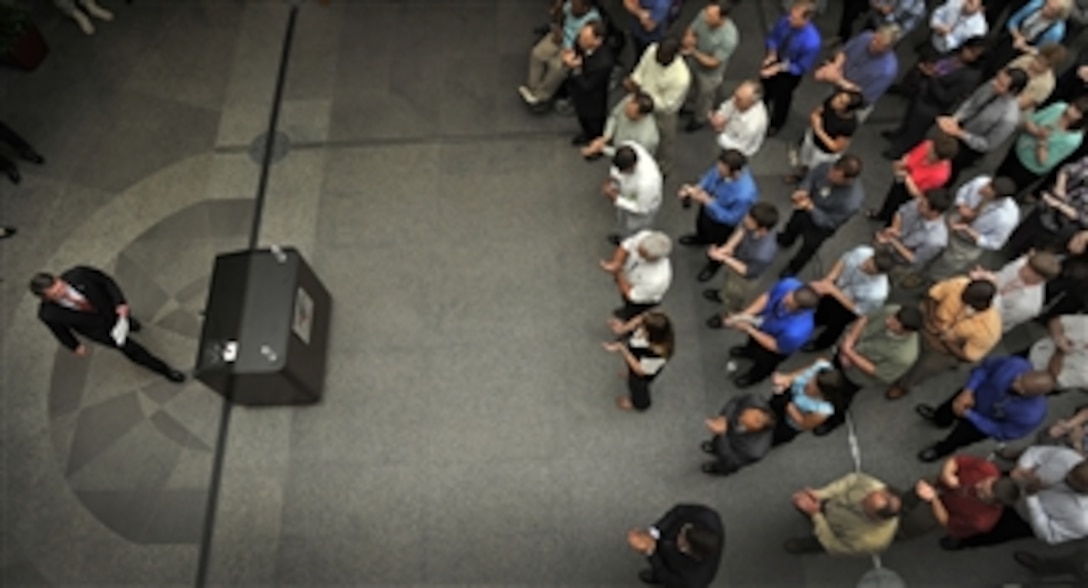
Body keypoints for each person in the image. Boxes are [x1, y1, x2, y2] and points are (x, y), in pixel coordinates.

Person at [30, 268, 186, 383]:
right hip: (99, 330)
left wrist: (120, 302)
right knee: (131, 350)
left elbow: (106, 281)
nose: (63, 293)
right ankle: (165, 370)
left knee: (127, 322)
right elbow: (60, 331)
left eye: (61, 286)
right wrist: (74, 346)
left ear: (58, 278)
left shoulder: (80, 274)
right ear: (46, 298)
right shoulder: (49, 314)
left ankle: (131, 324)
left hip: (111, 309)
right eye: (56, 295)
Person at [915, 356, 1055, 462]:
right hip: (973, 395)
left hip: (982, 423)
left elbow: (1002, 432)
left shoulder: (1032, 415)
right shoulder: (1015, 364)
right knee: (947, 409)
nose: (1014, 382)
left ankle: (939, 450)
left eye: (1020, 386)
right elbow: (984, 369)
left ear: (1031, 395)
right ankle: (939, 419)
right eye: (1020, 378)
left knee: (958, 439)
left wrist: (970, 416)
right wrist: (968, 390)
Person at [886, 278, 1002, 400]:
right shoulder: (959, 284)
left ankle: (904, 386)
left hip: (948, 348)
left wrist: (945, 341)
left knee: (928, 366)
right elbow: (932, 296)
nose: (962, 297)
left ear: (982, 303)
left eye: (967, 298)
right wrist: (932, 318)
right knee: (902, 320)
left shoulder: (990, 330)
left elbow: (967, 357)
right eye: (964, 293)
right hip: (932, 320)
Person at [815, 305, 922, 435]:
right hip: (847, 350)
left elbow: (879, 373)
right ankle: (822, 392)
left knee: (842, 395)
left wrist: (850, 355)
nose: (888, 320)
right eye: (893, 317)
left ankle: (836, 418)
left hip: (857, 375)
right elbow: (865, 319)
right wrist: (848, 344)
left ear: (907, 332)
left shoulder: (905, 355)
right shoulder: (892, 310)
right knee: (829, 374)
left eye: (895, 324)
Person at [955, 445, 1088, 548]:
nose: (1064, 478)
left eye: (1072, 483)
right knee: (975, 490)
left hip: (1020, 517)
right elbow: (1035, 453)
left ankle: (963, 541)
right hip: (1009, 484)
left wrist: (1032, 499)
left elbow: (1049, 534)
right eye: (1071, 471)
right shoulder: (1069, 458)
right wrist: (1021, 467)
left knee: (992, 532)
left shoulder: (1083, 520)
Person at [882, 37, 987, 159]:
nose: (967, 53)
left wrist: (932, 77)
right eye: (968, 48)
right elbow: (938, 62)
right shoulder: (953, 54)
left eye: (973, 53)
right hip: (922, 91)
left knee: (915, 129)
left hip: (932, 105)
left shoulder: (969, 76)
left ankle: (899, 150)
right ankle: (898, 134)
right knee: (908, 118)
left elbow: (946, 97)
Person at [898, 455, 1022, 545]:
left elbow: (946, 521)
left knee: (915, 524)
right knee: (910, 496)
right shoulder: (988, 469)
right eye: (983, 482)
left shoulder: (981, 521)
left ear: (995, 504)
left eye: (982, 493)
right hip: (938, 484)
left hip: (940, 509)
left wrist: (934, 499)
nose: (977, 486)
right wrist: (947, 475)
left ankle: (897, 533)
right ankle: (900, 506)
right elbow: (956, 461)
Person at [719, 278, 819, 387]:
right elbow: (767, 297)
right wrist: (743, 316)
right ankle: (748, 352)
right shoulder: (788, 284)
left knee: (764, 363)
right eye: (787, 296)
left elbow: (776, 346)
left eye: (789, 304)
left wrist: (749, 329)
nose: (784, 300)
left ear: (800, 310)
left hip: (775, 346)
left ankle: (753, 377)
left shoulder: (797, 331)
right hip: (763, 324)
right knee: (752, 344)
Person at [938, 67, 1030, 184]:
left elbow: (987, 145)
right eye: (997, 79)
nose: (995, 84)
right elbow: (972, 102)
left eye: (1001, 84)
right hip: (958, 127)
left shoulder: (1009, 119)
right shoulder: (992, 85)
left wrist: (960, 134)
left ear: (1013, 91)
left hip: (969, 146)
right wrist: (955, 119)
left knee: (950, 170)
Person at [777, 155, 865, 277]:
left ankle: (793, 268)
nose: (829, 176)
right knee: (793, 224)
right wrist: (804, 189)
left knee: (808, 248)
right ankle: (785, 240)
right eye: (831, 171)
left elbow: (830, 222)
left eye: (835, 177)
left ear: (848, 180)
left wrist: (811, 208)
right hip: (806, 205)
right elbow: (811, 177)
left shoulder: (851, 202)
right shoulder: (828, 166)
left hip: (819, 227)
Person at [677, 149, 758, 281]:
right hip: (707, 209)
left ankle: (713, 265)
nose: (718, 171)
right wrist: (697, 189)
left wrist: (709, 202)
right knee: (701, 225)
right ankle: (700, 238)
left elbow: (732, 218)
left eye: (722, 170)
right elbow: (708, 178)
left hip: (721, 224)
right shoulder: (721, 169)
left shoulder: (744, 195)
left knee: (718, 246)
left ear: (735, 172)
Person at [928, 176, 1020, 281]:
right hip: (952, 221)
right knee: (930, 247)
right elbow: (963, 191)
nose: (981, 189)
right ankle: (919, 271)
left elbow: (995, 243)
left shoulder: (1007, 218)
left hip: (966, 244)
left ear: (997, 198)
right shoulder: (980, 181)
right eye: (987, 185)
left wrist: (969, 231)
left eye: (987, 191)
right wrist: (961, 205)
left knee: (946, 265)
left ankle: (930, 282)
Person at [786, 472, 901, 555]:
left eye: (866, 505)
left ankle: (806, 544)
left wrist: (816, 515)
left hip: (834, 532)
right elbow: (852, 480)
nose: (861, 500)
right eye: (868, 496)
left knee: (820, 541)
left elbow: (834, 545)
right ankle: (812, 516)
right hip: (833, 505)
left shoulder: (868, 540)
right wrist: (821, 494)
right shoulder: (874, 486)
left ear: (876, 517)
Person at [805, 246, 894, 352]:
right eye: (867, 262)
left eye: (868, 269)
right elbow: (843, 261)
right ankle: (817, 321)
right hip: (837, 286)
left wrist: (833, 291)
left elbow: (859, 310)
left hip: (847, 307)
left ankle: (821, 344)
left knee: (835, 326)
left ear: (879, 274)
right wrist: (829, 280)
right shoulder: (863, 252)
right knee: (823, 307)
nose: (862, 266)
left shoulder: (877, 293)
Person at [625, 38, 691, 177]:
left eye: (663, 58)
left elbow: (667, 104)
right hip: (640, 98)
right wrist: (634, 81)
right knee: (638, 133)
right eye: (658, 55)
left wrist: (646, 99)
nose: (658, 60)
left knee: (664, 142)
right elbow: (641, 70)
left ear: (675, 55)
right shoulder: (652, 50)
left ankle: (663, 169)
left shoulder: (681, 77)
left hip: (662, 114)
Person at [994, 97, 1088, 194]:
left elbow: (1044, 162)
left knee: (1004, 191)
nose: (1070, 110)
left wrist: (1042, 141)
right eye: (1072, 106)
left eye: (1077, 112)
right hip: (1018, 149)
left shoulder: (1073, 140)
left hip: (1028, 168)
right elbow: (1030, 120)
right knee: (996, 178)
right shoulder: (1059, 108)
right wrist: (1037, 132)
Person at [519, 0, 602, 108]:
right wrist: (558, 28)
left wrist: (573, 53)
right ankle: (532, 87)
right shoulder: (570, 5)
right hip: (561, 37)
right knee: (537, 53)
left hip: (573, 48)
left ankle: (541, 96)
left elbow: (588, 45)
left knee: (556, 67)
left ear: (586, 8)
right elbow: (560, 18)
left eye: (576, 7)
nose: (572, 8)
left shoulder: (593, 21)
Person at [703, 202, 780, 317]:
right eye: (748, 216)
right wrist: (727, 248)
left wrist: (724, 258)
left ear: (763, 230)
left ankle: (728, 315)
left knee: (734, 297)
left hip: (744, 279)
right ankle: (722, 295)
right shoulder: (751, 223)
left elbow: (748, 272)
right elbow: (742, 231)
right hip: (736, 259)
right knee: (728, 284)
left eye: (750, 220)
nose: (745, 219)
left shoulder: (764, 253)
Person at [1005, 154, 1088, 256]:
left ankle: (1021, 255)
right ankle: (1012, 243)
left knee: (1039, 242)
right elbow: (1067, 169)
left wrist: (1059, 205)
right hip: (1048, 204)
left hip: (1062, 223)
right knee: (1027, 227)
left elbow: (1083, 218)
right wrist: (1060, 187)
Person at [812, 26, 900, 122]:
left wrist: (838, 79)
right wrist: (835, 68)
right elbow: (845, 52)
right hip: (838, 86)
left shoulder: (887, 71)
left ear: (888, 48)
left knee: (831, 128)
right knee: (818, 115)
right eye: (875, 38)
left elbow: (864, 97)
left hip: (852, 105)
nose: (873, 43)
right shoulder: (866, 37)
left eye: (879, 44)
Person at [761, 0, 822, 136]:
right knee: (765, 86)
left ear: (807, 19)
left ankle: (776, 123)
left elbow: (801, 66)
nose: (789, 19)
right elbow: (774, 37)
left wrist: (779, 68)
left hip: (790, 72)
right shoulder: (785, 21)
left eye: (795, 18)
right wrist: (772, 53)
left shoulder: (812, 42)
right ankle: (761, 109)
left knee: (782, 97)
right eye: (790, 15)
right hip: (777, 57)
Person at [627, 504, 724, 588]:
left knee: (665, 578)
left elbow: (665, 575)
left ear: (692, 553)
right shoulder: (708, 516)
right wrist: (654, 532)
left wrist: (650, 551)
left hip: (674, 570)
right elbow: (679, 511)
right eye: (683, 531)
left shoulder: (691, 581)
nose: (677, 536)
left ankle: (656, 579)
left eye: (682, 543)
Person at [870, 133, 957, 223]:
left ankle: (889, 227)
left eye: (932, 154)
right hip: (903, 176)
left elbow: (919, 194)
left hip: (910, 193)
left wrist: (906, 176)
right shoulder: (928, 145)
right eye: (930, 149)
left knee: (900, 211)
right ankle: (883, 215)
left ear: (940, 159)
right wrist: (902, 162)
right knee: (891, 198)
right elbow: (910, 155)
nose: (928, 152)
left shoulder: (940, 175)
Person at [681, 1, 740, 133]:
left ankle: (699, 119)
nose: (706, 18)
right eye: (707, 14)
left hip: (710, 74)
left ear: (722, 18)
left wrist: (693, 52)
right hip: (694, 64)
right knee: (689, 87)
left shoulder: (729, 37)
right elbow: (691, 29)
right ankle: (687, 106)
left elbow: (713, 62)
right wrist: (689, 37)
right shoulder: (704, 15)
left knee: (704, 97)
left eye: (711, 17)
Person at [784, 90, 863, 185]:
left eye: (841, 102)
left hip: (823, 152)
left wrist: (818, 130)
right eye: (838, 97)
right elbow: (818, 111)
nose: (835, 100)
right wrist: (814, 116)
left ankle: (808, 186)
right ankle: (800, 175)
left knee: (816, 171)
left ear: (847, 109)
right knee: (804, 160)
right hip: (812, 139)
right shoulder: (830, 102)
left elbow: (836, 147)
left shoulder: (849, 125)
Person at [971, 252, 1062, 332]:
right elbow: (1001, 275)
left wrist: (991, 286)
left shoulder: (1029, 307)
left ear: (1040, 279)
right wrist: (985, 276)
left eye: (1030, 271)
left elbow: (998, 318)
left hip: (989, 323)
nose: (1022, 268)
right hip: (984, 296)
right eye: (1026, 265)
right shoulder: (1022, 263)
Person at [982, 0, 1072, 81]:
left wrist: (1023, 46)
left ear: (1058, 15)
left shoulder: (1056, 31)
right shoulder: (1036, 4)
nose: (1045, 9)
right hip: (1013, 36)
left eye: (1051, 10)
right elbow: (1013, 21)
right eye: (1047, 4)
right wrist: (1017, 36)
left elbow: (1040, 52)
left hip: (1025, 52)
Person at [604, 311, 675, 411]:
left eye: (643, 329)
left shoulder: (657, 353)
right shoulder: (648, 323)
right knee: (631, 369)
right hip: (636, 357)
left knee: (637, 386)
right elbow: (639, 319)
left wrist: (623, 350)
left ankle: (639, 403)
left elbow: (640, 371)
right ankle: (630, 372)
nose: (638, 327)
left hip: (642, 372)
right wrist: (623, 328)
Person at [875, 188, 954, 276]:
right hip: (889, 245)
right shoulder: (919, 202)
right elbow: (900, 213)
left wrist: (893, 241)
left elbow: (914, 259)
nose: (917, 205)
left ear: (934, 213)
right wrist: (896, 229)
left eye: (922, 205)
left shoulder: (936, 240)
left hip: (901, 263)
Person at [767, 359, 844, 446]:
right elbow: (803, 372)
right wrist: (787, 378)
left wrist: (787, 404)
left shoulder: (823, 411)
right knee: (766, 410)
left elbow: (804, 423)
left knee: (771, 437)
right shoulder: (822, 366)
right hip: (788, 397)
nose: (808, 382)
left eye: (814, 386)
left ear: (823, 393)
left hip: (790, 422)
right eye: (812, 379)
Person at [600, 230, 673, 320]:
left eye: (642, 255)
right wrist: (617, 262)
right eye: (638, 249)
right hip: (628, 277)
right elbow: (626, 245)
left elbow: (632, 295)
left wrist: (618, 273)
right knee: (623, 295)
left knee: (633, 313)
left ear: (654, 259)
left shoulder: (657, 280)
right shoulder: (645, 237)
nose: (637, 254)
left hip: (642, 300)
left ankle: (628, 323)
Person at [700, 392, 776, 475]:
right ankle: (714, 447)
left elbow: (730, 458)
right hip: (727, 434)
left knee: (725, 465)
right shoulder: (754, 399)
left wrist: (722, 433)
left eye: (742, 421)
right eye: (743, 414)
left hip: (732, 455)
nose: (738, 419)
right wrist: (724, 418)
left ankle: (717, 469)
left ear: (754, 429)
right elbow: (736, 402)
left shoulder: (754, 451)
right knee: (717, 443)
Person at [567, 20, 617, 147]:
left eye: (585, 38)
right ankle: (586, 134)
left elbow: (588, 86)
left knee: (594, 124)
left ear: (597, 41)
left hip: (593, 100)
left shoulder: (604, 62)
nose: (580, 40)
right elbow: (576, 48)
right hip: (578, 92)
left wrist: (575, 69)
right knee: (582, 117)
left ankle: (596, 143)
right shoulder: (583, 44)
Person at [603, 142, 663, 241]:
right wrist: (612, 180)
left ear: (633, 166)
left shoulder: (647, 182)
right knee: (622, 219)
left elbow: (642, 208)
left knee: (635, 229)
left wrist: (616, 198)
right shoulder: (629, 146)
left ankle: (631, 245)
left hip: (642, 207)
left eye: (623, 171)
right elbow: (616, 170)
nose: (620, 173)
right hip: (626, 195)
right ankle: (622, 235)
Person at [582, 92, 659, 161]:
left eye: (629, 113)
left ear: (641, 116)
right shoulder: (629, 100)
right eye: (626, 108)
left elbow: (628, 155)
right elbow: (614, 116)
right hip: (619, 144)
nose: (625, 112)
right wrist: (607, 136)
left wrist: (601, 148)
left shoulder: (645, 137)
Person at [1025, 315, 1088, 395]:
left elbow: (1055, 376)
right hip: (1037, 351)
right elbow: (1056, 322)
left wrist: (1060, 352)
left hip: (1038, 382)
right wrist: (1058, 336)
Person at [1001, 404, 1088, 461]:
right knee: (1051, 433)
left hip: (1078, 455)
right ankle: (1025, 453)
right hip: (1080, 434)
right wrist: (1069, 425)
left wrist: (1077, 443)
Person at [709, 80, 769, 157]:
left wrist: (721, 133)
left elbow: (739, 146)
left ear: (752, 103)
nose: (734, 100)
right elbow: (728, 106)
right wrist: (721, 115)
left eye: (739, 99)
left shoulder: (752, 125)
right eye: (735, 95)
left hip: (739, 148)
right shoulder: (739, 99)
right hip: (730, 129)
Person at [1006, 43, 1068, 114]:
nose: (1035, 63)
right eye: (1037, 58)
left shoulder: (1047, 84)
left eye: (1041, 63)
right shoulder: (1026, 59)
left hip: (1014, 111)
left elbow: (1020, 104)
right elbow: (1004, 72)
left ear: (1050, 67)